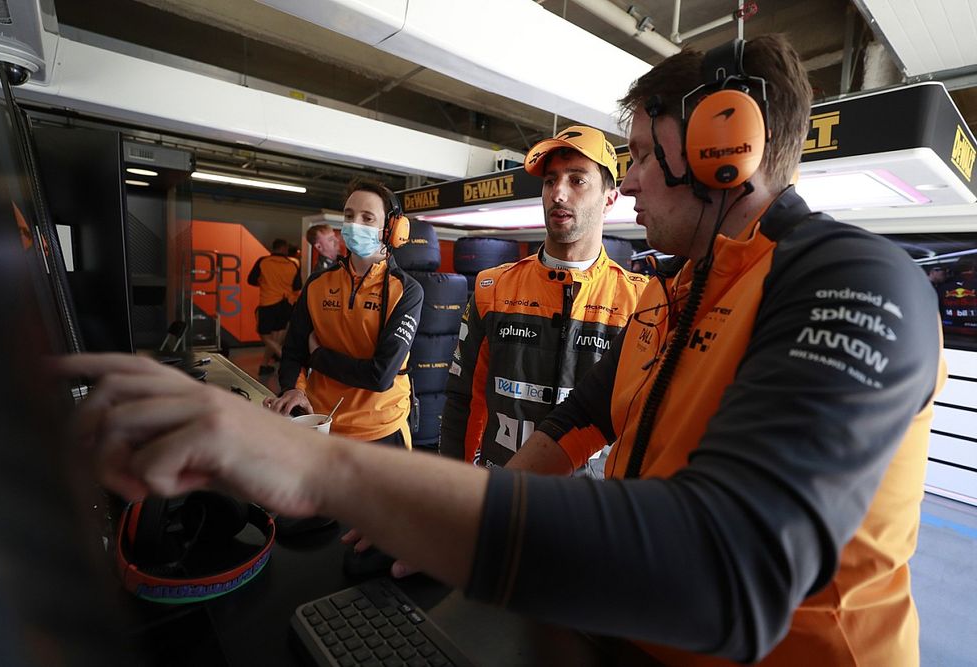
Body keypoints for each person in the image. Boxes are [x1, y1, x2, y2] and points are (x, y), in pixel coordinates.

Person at [58, 35, 944, 666]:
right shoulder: (679, 294)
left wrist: (322, 468)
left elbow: (731, 572)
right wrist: (435, 514)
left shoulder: (859, 284)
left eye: (637, 154)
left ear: (723, 144)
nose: (626, 180)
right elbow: (581, 418)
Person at [442, 125, 647, 471]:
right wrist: (449, 491)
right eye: (550, 181)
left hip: (589, 510)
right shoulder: (492, 288)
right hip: (501, 496)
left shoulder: (641, 300)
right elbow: (464, 403)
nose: (558, 194)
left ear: (609, 200)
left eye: (577, 180)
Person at [266, 180, 423, 448]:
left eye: (367, 217)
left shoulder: (406, 292)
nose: (354, 224)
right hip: (321, 423)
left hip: (381, 429)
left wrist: (319, 356)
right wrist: (292, 389)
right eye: (349, 216)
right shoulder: (317, 285)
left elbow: (380, 376)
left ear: (391, 229)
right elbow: (293, 351)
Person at [246, 238, 301, 376]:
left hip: (268, 302)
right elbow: (297, 286)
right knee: (277, 337)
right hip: (286, 303)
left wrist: (265, 284)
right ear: (284, 248)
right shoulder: (293, 263)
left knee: (264, 335)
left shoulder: (263, 261)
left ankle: (285, 357)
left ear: (274, 247)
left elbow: (251, 280)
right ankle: (264, 365)